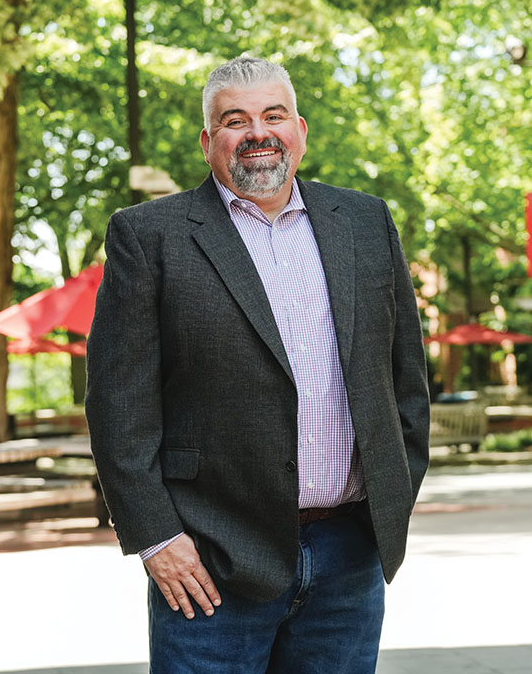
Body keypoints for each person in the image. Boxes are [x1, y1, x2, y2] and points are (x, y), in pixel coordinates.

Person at [85, 56, 430, 673]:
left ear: (300, 129)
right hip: (210, 563)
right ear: (208, 141)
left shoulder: (365, 222)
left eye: (273, 115)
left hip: (348, 555)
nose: (257, 132)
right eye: (235, 120)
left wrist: (392, 495)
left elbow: (405, 377)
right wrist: (157, 538)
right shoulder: (150, 236)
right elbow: (118, 404)